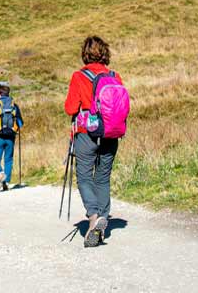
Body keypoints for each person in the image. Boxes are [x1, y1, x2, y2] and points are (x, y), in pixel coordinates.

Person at [64, 35, 121, 248]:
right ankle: (102, 223)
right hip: (111, 132)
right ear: (105, 52)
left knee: (85, 176)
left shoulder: (79, 76)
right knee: (103, 178)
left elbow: (70, 108)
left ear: (85, 54)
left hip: (86, 133)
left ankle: (94, 217)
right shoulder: (115, 76)